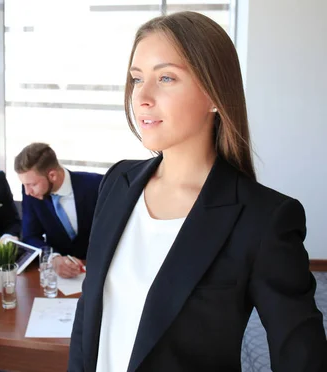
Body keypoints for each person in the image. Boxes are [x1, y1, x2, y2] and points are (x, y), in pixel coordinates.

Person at [69, 11, 327, 372]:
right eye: (137, 78)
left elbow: (301, 356)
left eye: (166, 77)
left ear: (214, 96)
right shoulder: (117, 182)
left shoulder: (263, 219)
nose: (141, 96)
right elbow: (89, 313)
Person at [15, 143, 102, 278]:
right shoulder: (31, 194)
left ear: (52, 175)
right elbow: (30, 236)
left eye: (32, 184)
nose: (27, 191)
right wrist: (53, 258)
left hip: (97, 271)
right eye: (24, 184)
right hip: (59, 279)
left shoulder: (96, 185)